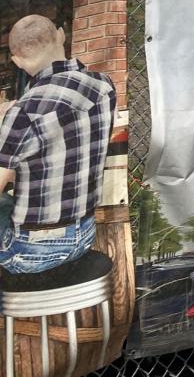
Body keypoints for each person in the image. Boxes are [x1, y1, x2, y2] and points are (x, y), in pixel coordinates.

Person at [0, 15, 116, 274]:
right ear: (62, 35)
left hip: (29, 253)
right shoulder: (105, 86)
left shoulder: (24, 111)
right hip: (84, 235)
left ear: (17, 61)